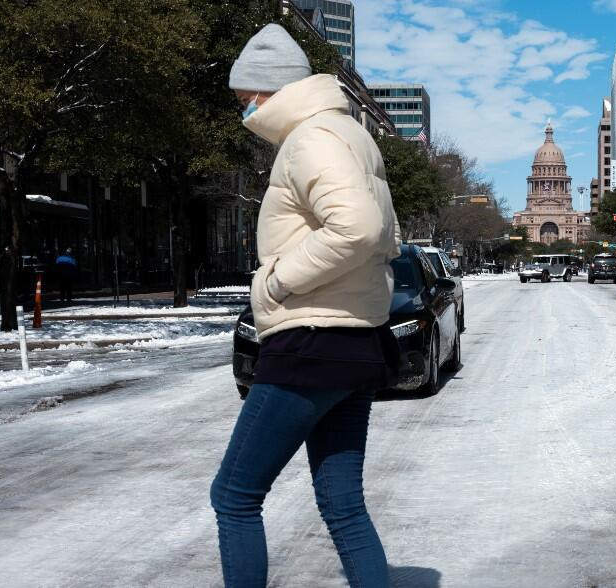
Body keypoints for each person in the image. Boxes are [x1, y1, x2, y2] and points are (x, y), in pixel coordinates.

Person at [209, 24, 401, 588]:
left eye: (245, 99)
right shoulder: (349, 135)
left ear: (269, 92)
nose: (243, 110)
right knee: (343, 504)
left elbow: (360, 229)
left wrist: (276, 282)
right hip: (355, 341)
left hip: (310, 343)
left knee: (234, 496)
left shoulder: (311, 138)